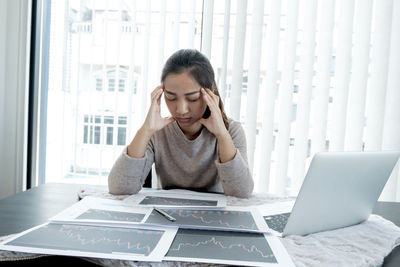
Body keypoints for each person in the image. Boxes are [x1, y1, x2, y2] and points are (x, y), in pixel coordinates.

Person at [108, 49, 253, 198]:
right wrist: (145, 131)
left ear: (210, 93)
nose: (181, 110)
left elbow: (241, 193)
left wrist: (222, 134)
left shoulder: (232, 131)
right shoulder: (157, 132)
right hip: (166, 216)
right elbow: (119, 188)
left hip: (214, 218)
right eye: (171, 97)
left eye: (193, 98)